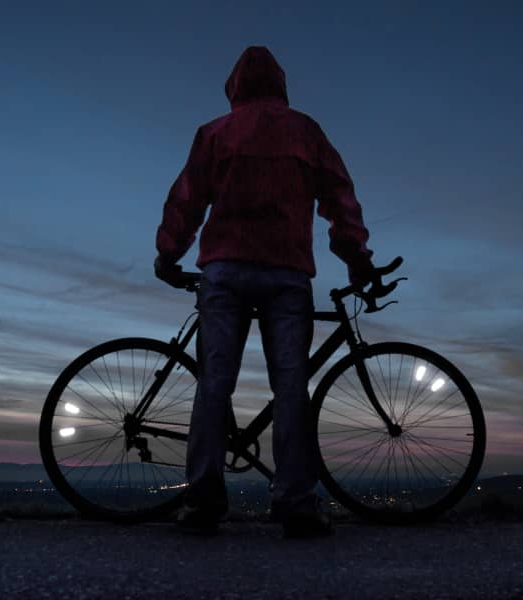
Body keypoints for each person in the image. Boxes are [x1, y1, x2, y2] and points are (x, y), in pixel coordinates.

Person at [154, 46, 374, 538]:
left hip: (226, 271)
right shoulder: (306, 131)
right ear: (280, 83)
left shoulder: (214, 132)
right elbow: (340, 198)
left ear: (235, 85)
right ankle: (295, 502)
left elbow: (186, 199)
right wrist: (356, 258)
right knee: (292, 388)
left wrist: (168, 254)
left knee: (214, 385)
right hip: (287, 272)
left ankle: (203, 501)